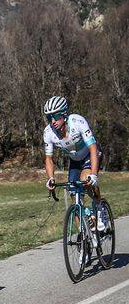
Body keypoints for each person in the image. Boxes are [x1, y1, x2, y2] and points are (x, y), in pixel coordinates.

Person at [42, 95, 106, 230]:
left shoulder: (77, 122)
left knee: (86, 179)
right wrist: (50, 178)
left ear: (64, 114)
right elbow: (48, 158)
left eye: (56, 116)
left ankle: (99, 207)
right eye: (49, 117)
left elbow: (93, 147)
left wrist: (94, 174)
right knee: (74, 194)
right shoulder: (48, 133)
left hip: (90, 154)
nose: (52, 121)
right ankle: (85, 235)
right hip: (75, 161)